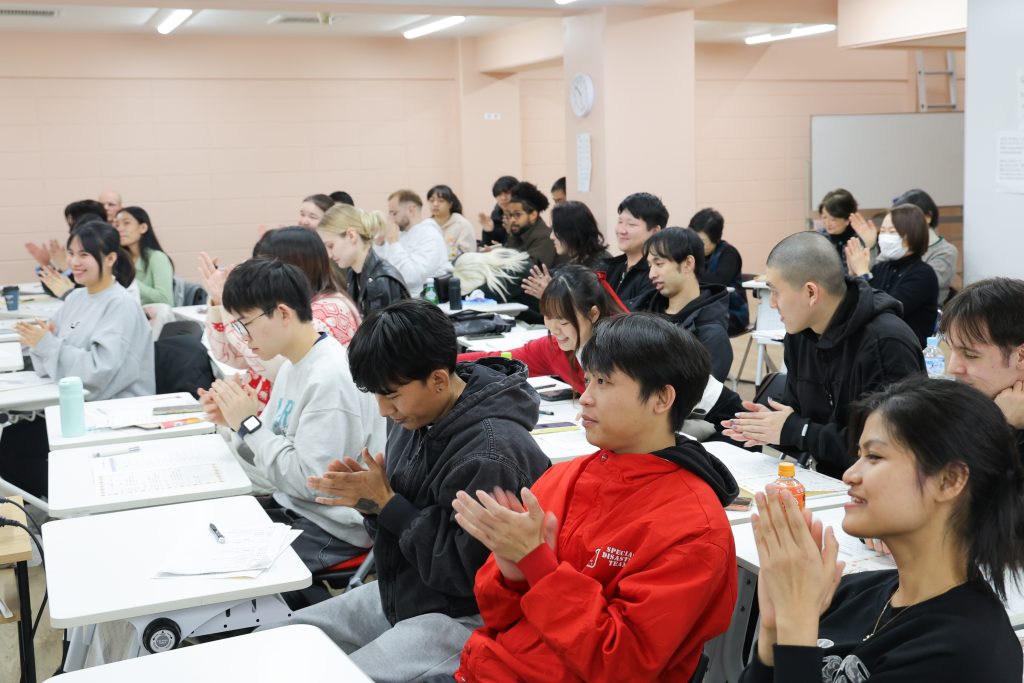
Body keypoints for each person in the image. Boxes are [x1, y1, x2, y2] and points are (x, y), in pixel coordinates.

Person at [259, 299, 550, 682]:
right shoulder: (417, 416)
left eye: (391, 395)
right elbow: (398, 529)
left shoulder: (492, 453)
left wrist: (387, 503)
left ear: (439, 380)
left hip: (467, 618)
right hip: (407, 591)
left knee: (339, 676)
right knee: (279, 641)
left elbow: (466, 578)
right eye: (376, 396)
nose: (383, 410)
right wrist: (371, 502)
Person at [453, 313, 739, 682]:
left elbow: (621, 664)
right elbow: (498, 618)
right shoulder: (562, 478)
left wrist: (536, 564)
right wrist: (513, 574)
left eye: (603, 382)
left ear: (662, 398)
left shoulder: (694, 528)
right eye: (587, 380)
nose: (584, 398)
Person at [740, 376, 1024, 683]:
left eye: (874, 456)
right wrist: (774, 633)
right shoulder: (851, 591)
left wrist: (796, 627)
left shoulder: (968, 653)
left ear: (948, 480)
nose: (850, 474)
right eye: (859, 455)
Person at [199, 258, 384, 574]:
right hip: (293, 507)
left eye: (245, 323)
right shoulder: (292, 367)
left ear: (283, 313)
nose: (243, 337)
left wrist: (249, 424)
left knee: (220, 570)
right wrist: (234, 422)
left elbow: (312, 483)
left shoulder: (329, 377)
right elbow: (267, 457)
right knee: (206, 530)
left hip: (331, 528)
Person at [459, 265, 746, 443]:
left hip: (713, 418)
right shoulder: (560, 345)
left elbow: (648, 411)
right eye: (548, 318)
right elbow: (504, 358)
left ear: (593, 313)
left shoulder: (626, 345)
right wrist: (445, 361)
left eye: (563, 321)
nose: (555, 329)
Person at [722, 231, 924, 479]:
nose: (772, 303)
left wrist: (796, 430)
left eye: (775, 292)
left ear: (811, 293)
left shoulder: (887, 342)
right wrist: (768, 428)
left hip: (879, 487)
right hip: (825, 480)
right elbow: (801, 425)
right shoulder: (799, 335)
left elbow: (890, 450)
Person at [3, 221, 153, 497]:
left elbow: (98, 370)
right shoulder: (77, 298)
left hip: (111, 412)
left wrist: (46, 344)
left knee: (15, 449)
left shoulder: (120, 305)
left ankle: (75, 498)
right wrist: (39, 340)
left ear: (110, 258)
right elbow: (52, 343)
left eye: (84, 254)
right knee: (14, 439)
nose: (74, 262)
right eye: (71, 253)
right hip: (78, 405)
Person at [198, 227, 362, 407]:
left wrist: (228, 304)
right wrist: (220, 302)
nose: (259, 276)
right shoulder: (292, 307)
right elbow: (229, 355)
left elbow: (276, 366)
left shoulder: (330, 308)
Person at [938, 277, 1024, 455]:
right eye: (951, 350)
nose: (952, 368)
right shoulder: (970, 404)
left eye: (970, 355)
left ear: (1021, 357)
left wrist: (1005, 426)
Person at [635, 227, 733, 381]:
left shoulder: (712, 335)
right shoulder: (640, 311)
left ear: (688, 263)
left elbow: (697, 393)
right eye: (649, 266)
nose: (651, 274)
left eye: (659, 264)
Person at [845, 204, 939, 348]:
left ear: (911, 235)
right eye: (882, 231)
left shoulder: (923, 274)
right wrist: (852, 276)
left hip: (904, 349)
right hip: (873, 345)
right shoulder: (882, 267)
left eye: (892, 231)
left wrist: (863, 275)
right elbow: (852, 308)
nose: (884, 236)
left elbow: (886, 310)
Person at [317, 203, 409, 316]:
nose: (329, 255)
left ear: (351, 235)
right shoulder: (353, 273)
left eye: (331, 246)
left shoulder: (381, 281)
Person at [521, 200, 611, 302]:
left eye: (556, 231)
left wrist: (550, 297)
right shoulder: (575, 263)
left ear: (571, 231)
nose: (551, 237)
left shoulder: (600, 267)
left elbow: (589, 308)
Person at [376, 189, 447, 297]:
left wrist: (394, 243)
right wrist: (379, 244)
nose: (390, 218)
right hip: (400, 298)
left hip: (421, 301)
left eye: (394, 213)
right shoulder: (401, 234)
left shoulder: (430, 236)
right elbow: (382, 269)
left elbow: (411, 278)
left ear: (411, 210)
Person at [690, 207, 749, 335]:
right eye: (694, 240)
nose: (697, 246)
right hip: (704, 312)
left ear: (716, 238)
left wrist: (689, 271)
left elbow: (719, 281)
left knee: (692, 325)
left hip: (732, 314)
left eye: (702, 242)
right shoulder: (693, 254)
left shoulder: (729, 253)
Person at [893, 188, 959, 303]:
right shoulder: (896, 246)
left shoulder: (946, 251)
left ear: (928, 217)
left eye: (908, 218)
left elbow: (921, 285)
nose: (902, 224)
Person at [603, 192, 667, 308]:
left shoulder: (655, 274)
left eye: (631, 224)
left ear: (655, 231)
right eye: (620, 222)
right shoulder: (610, 268)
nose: (622, 230)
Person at [114, 206, 175, 306]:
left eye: (126, 223)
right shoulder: (120, 259)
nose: (119, 229)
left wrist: (130, 281)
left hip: (150, 314)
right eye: (117, 225)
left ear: (143, 228)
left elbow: (165, 299)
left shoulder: (157, 257)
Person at [817, 188, 871, 275]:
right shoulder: (818, 238)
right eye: (824, 217)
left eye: (833, 219)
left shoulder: (860, 239)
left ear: (847, 219)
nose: (827, 223)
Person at [505, 181, 558, 268]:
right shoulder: (519, 234)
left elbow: (527, 269)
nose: (512, 220)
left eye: (517, 214)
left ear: (533, 215)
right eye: (510, 215)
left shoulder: (545, 237)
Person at [428, 184, 476, 261]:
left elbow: (467, 254)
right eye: (431, 200)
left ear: (450, 204)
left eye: (441, 201)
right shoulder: (426, 226)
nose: (435, 204)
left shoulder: (462, 224)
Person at [480, 175, 517, 246]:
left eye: (507, 193)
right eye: (499, 194)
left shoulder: (524, 217)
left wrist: (503, 248)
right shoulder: (496, 216)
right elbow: (487, 246)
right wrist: (488, 232)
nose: (503, 198)